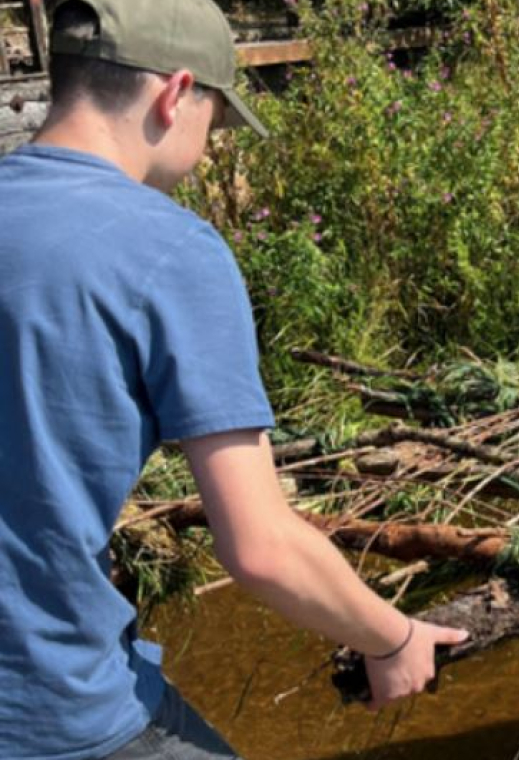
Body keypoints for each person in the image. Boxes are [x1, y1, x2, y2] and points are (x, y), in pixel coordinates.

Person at [0, 1, 467, 758]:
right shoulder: (169, 250)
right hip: (50, 711)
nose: (209, 156)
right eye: (213, 127)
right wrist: (394, 636)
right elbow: (260, 547)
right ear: (174, 93)